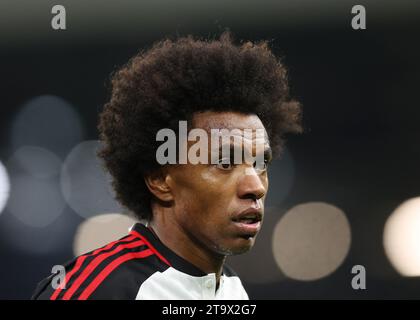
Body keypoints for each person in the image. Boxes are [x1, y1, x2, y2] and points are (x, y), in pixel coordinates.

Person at [32, 32, 302, 300]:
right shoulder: (95, 290)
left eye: (259, 163)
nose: (255, 186)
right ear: (160, 180)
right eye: (225, 162)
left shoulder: (233, 292)